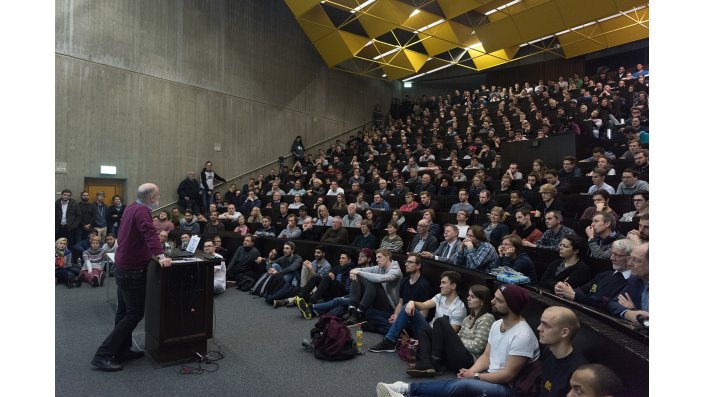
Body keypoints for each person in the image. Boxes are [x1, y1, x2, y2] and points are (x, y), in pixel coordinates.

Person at [376, 284, 539, 397]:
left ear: (512, 306)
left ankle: (406, 388)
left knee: (462, 386)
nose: (492, 302)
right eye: (494, 298)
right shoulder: (497, 324)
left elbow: (508, 376)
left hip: (507, 388)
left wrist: (474, 376)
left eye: (499, 300)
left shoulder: (522, 335)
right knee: (459, 389)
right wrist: (472, 372)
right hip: (489, 374)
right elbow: (486, 357)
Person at [92, 183, 172, 372]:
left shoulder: (130, 207)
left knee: (123, 311)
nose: (159, 198)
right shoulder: (143, 211)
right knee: (134, 313)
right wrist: (161, 256)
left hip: (122, 265)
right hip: (132, 270)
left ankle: (122, 350)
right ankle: (103, 354)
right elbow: (150, 234)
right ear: (152, 198)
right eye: (158, 195)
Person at [368, 271, 466, 358]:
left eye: (444, 283)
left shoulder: (459, 308)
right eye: (441, 283)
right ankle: (390, 340)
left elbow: (450, 335)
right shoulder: (440, 297)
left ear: (453, 286)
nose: (440, 286)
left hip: (437, 341)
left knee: (406, 308)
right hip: (427, 332)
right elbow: (423, 305)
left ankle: (391, 341)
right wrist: (412, 302)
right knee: (407, 306)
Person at [406, 285, 494, 376]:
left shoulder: (487, 318)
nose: (468, 298)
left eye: (472, 297)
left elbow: (477, 346)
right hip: (456, 355)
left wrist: (457, 340)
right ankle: (426, 363)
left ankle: (435, 362)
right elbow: (459, 336)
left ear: (482, 301)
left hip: (469, 360)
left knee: (441, 321)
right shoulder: (468, 318)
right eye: (468, 295)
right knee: (425, 329)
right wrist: (455, 340)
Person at [555, 239, 632, 309]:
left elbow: (608, 303)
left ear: (629, 258)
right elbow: (582, 289)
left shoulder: (633, 282)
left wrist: (575, 295)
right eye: (612, 253)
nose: (612, 258)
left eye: (617, 255)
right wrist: (564, 291)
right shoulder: (604, 275)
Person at [535, 306, 588, 397]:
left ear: (564, 333)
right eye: (541, 323)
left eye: (546, 325)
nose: (539, 328)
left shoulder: (578, 370)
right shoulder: (548, 352)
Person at [343, 249, 403, 325]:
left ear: (387, 258)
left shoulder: (396, 270)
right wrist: (353, 272)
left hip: (390, 306)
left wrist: (358, 272)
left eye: (379, 257)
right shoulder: (380, 267)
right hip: (379, 300)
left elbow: (380, 279)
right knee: (358, 276)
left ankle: (359, 313)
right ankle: (352, 309)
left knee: (373, 282)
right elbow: (359, 269)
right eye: (376, 258)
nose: (377, 260)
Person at [608, 242, 649, 325]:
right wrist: (629, 313)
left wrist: (634, 310)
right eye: (630, 258)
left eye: (636, 260)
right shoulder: (635, 279)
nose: (629, 263)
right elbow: (613, 303)